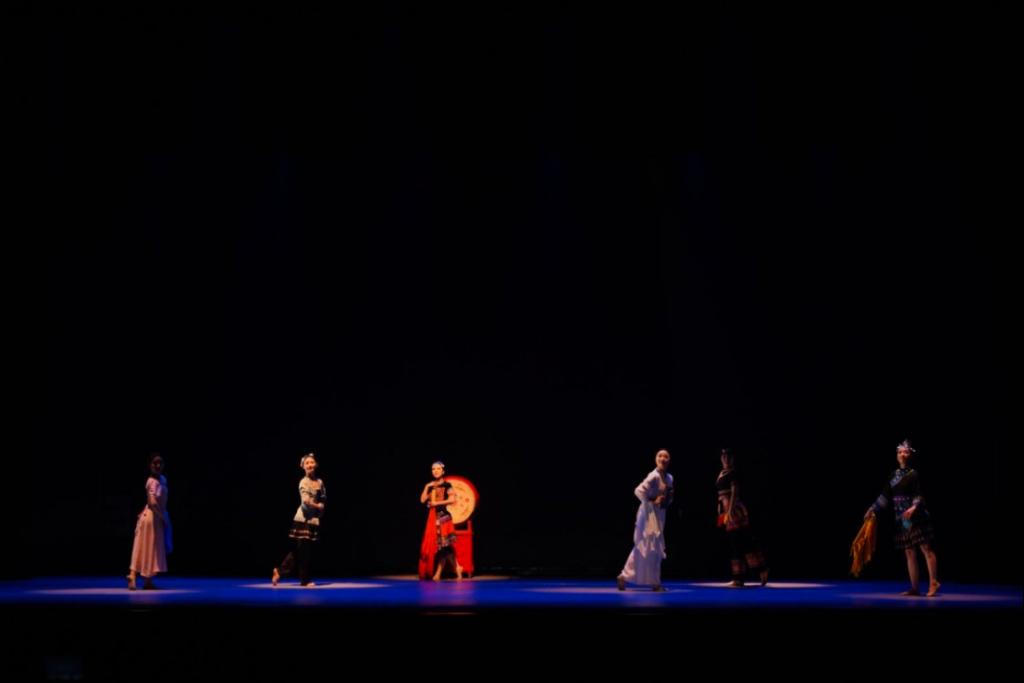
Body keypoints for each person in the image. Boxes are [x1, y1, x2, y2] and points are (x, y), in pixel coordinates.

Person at [865, 439, 939, 596]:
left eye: (905, 452)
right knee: (909, 551)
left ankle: (933, 582)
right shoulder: (893, 475)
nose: (902, 454)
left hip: (916, 516)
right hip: (903, 518)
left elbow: (919, 494)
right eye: (899, 452)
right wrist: (872, 509)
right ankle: (914, 587)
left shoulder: (914, 474)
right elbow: (885, 495)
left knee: (926, 548)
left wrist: (914, 507)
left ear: (911, 455)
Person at [617, 449, 673, 591]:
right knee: (647, 546)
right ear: (656, 459)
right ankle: (655, 583)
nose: (662, 458)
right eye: (660, 456)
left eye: (666, 456)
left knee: (653, 547)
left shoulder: (669, 478)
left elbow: (668, 496)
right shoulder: (653, 476)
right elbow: (638, 491)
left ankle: (625, 576)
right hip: (648, 514)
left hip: (659, 514)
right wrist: (652, 500)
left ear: (669, 460)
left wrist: (666, 500)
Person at [716, 448, 768, 587]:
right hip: (725, 510)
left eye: (729, 457)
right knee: (735, 543)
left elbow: (735, 492)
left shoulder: (733, 473)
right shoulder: (721, 473)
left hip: (734, 510)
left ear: (733, 459)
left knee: (744, 540)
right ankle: (738, 578)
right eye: (724, 457)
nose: (726, 459)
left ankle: (761, 569)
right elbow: (721, 495)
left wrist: (730, 510)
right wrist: (721, 512)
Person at [272, 453, 326, 587]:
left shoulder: (319, 482)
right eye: (307, 463)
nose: (310, 465)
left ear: (316, 464)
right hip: (303, 520)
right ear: (303, 466)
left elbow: (323, 497)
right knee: (303, 552)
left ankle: (279, 571)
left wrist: (321, 507)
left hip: (313, 520)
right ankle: (305, 580)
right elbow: (305, 501)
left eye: (312, 462)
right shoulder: (304, 482)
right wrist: (317, 506)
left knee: (300, 552)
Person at [127, 453, 172, 590]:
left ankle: (146, 581)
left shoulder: (162, 479)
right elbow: (152, 502)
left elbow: (155, 501)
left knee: (150, 547)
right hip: (153, 518)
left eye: (160, 463)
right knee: (147, 546)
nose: (158, 465)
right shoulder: (151, 481)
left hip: (155, 516)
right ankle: (133, 575)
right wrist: (162, 516)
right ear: (150, 465)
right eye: (155, 463)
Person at [418, 461, 463, 581]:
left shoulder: (447, 485)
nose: (435, 471)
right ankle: (457, 567)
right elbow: (422, 500)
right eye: (433, 469)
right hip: (433, 518)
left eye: (438, 469)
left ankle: (439, 572)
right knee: (444, 546)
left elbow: (452, 500)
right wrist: (426, 487)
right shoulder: (431, 486)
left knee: (444, 546)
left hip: (443, 517)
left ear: (443, 471)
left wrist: (436, 503)